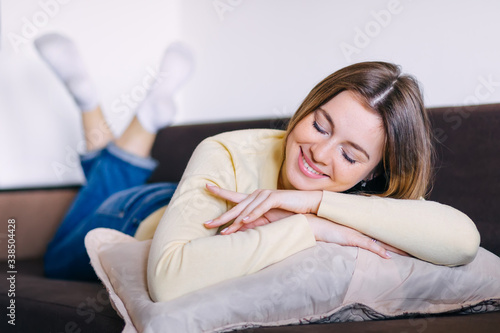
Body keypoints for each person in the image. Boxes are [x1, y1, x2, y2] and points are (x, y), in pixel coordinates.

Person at [35, 34, 479, 301]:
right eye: (319, 125)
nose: (321, 154)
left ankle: (126, 116)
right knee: (56, 260)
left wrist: (310, 204)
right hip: (137, 213)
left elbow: (462, 242)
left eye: (349, 155)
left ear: (374, 174)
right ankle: (97, 108)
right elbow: (168, 282)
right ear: (306, 108)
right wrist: (310, 229)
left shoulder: (372, 196)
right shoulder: (228, 150)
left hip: (185, 197)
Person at [34, 33, 193, 280]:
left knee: (56, 261)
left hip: (158, 202)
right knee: (56, 261)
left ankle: (99, 108)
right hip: (153, 212)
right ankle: (112, 111)